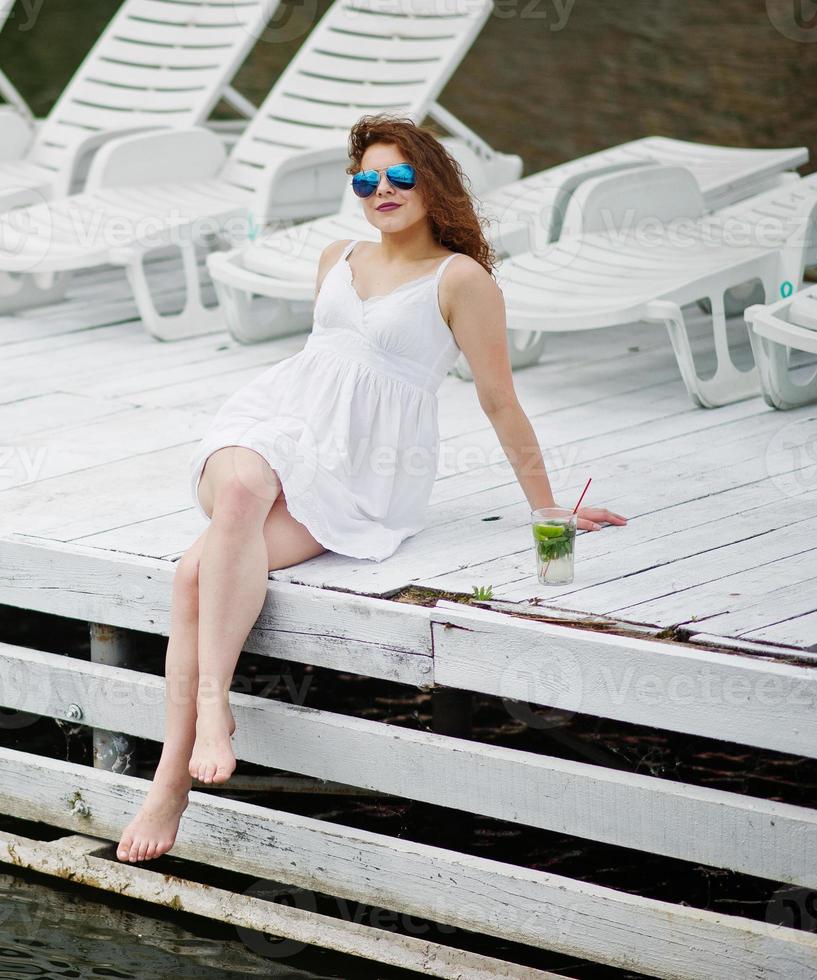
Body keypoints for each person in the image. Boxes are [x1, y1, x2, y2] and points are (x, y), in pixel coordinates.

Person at [114, 113, 628, 863]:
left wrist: (545, 509)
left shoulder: (461, 280)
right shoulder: (336, 255)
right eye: (364, 180)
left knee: (197, 572)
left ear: (433, 182)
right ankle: (213, 709)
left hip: (360, 472)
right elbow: (322, 367)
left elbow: (498, 400)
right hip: (271, 423)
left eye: (397, 177)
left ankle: (167, 783)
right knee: (238, 494)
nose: (379, 191)